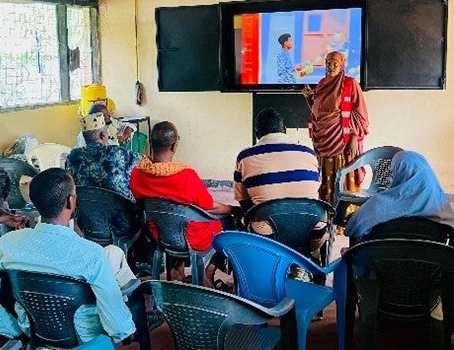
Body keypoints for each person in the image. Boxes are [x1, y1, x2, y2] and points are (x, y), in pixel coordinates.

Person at [0, 168, 136, 346]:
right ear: (69, 201)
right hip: (86, 340)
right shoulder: (92, 255)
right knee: (114, 264)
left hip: (34, 332)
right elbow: (118, 328)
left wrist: (16, 330)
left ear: (33, 202)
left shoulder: (6, 244)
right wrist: (124, 332)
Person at [129, 121, 236, 288]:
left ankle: (177, 265)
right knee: (228, 223)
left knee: (176, 219)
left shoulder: (137, 173)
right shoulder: (186, 176)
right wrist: (232, 209)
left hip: (162, 235)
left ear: (150, 143)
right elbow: (210, 206)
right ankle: (209, 272)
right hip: (192, 240)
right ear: (174, 146)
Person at [234, 108, 327, 251]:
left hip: (269, 237)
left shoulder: (245, 157)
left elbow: (243, 201)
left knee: (241, 222)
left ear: (257, 134)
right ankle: (309, 264)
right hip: (312, 233)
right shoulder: (308, 153)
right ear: (284, 130)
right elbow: (317, 188)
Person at [302, 50, 369, 207]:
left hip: (342, 142)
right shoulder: (321, 84)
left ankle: (345, 221)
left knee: (343, 182)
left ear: (342, 65)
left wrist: (354, 137)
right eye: (328, 63)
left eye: (335, 64)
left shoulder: (350, 84)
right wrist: (308, 98)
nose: (331, 67)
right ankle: (330, 219)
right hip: (323, 141)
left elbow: (361, 114)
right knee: (326, 182)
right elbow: (318, 112)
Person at [345, 150, 454, 240]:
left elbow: (351, 229)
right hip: (430, 264)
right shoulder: (446, 208)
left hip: (378, 263)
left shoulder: (377, 204)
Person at [67, 112, 142, 201]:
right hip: (120, 209)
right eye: (107, 132)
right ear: (103, 135)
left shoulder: (72, 156)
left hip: (85, 209)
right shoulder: (115, 152)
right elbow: (144, 162)